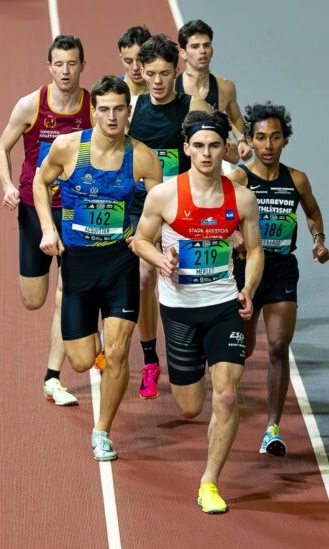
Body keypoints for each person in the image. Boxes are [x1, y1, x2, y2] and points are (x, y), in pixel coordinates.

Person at [132, 110, 263, 513]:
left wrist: (248, 288)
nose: (206, 154)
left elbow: (256, 250)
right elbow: (139, 239)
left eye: (214, 146)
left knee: (225, 396)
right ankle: (194, 382)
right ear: (186, 149)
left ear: (224, 149)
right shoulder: (165, 195)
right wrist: (160, 260)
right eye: (199, 146)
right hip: (180, 310)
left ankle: (209, 482)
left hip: (223, 306)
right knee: (191, 406)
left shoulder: (241, 197)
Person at [35, 76, 162, 461]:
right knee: (82, 361)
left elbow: (155, 205)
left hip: (119, 262)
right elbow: (42, 184)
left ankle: (102, 430)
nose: (111, 115)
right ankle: (99, 349)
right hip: (77, 263)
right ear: (94, 112)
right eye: (104, 108)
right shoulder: (68, 147)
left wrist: (142, 238)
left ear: (128, 112)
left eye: (118, 109)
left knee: (120, 350)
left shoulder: (143, 157)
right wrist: (46, 227)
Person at [0, 35, 91, 407]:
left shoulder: (94, 108)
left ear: (83, 65)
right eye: (59, 64)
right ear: (48, 66)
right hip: (36, 207)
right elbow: (1, 147)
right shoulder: (31, 104)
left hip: (77, 211)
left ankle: (52, 377)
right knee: (34, 299)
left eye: (72, 63)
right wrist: (6, 185)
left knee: (67, 292)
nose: (65, 71)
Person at [128, 34, 226, 400]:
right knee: (144, 278)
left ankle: (198, 346)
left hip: (186, 207)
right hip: (145, 207)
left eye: (164, 73)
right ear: (141, 71)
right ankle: (152, 360)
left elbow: (213, 150)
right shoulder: (134, 108)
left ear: (176, 71)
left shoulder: (192, 106)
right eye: (150, 73)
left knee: (190, 279)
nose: (156, 81)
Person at [228, 102, 329, 456]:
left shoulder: (296, 179)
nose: (268, 145)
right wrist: (232, 235)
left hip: (283, 269)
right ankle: (226, 396)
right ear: (250, 142)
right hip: (246, 271)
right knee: (243, 347)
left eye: (275, 137)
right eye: (260, 138)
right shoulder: (239, 178)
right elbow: (219, 213)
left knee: (277, 347)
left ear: (285, 140)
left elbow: (313, 212)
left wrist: (318, 240)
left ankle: (272, 427)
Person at [175, 19, 251, 162]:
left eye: (206, 45)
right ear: (183, 53)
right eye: (195, 46)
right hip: (177, 167)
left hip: (209, 166)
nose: (202, 51)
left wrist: (242, 140)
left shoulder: (225, 87)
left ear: (212, 50)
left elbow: (236, 118)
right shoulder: (172, 88)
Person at [117, 25, 151, 110]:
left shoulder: (169, 90)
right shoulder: (112, 94)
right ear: (121, 58)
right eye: (128, 61)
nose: (135, 67)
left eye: (140, 60)